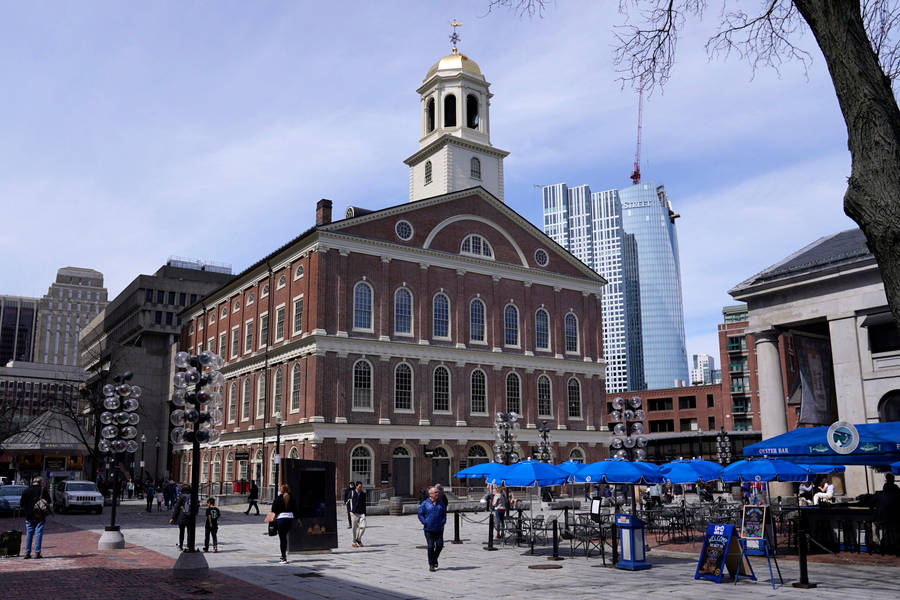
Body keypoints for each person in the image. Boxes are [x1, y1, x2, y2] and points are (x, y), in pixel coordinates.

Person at [20, 477, 52, 559]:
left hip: (29, 516)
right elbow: (49, 501)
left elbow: (21, 504)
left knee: (29, 534)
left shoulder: (26, 490)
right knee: (39, 533)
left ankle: (27, 553)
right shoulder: (42, 490)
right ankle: (37, 553)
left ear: (33, 482)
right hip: (40, 515)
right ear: (40, 482)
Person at [418, 486, 447, 572]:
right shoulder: (425, 503)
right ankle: (431, 564)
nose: (438, 494)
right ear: (431, 494)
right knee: (430, 546)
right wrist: (424, 522)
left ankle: (435, 559)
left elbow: (444, 513)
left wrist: (443, 521)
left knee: (440, 545)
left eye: (438, 492)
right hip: (429, 529)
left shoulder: (440, 502)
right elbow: (420, 514)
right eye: (436, 492)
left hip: (439, 528)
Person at [271, 484, 298, 563]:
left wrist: (270, 520)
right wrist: (298, 519)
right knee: (285, 536)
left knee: (282, 538)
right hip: (289, 519)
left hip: (281, 519)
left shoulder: (278, 498)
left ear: (282, 490)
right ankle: (283, 556)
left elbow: (273, 510)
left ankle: (283, 557)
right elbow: (296, 510)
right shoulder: (292, 498)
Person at [170, 485, 193, 550]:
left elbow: (176, 507)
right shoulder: (192, 496)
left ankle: (181, 546)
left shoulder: (181, 497)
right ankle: (189, 546)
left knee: (182, 532)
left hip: (182, 516)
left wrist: (173, 517)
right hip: (190, 516)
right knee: (190, 532)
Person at [348, 481, 367, 547]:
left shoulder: (363, 494)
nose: (360, 488)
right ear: (356, 487)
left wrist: (365, 513)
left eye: (361, 487)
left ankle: (358, 539)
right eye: (359, 487)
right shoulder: (352, 492)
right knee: (354, 528)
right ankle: (354, 542)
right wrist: (349, 511)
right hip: (354, 513)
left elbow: (364, 504)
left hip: (361, 513)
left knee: (363, 526)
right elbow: (348, 502)